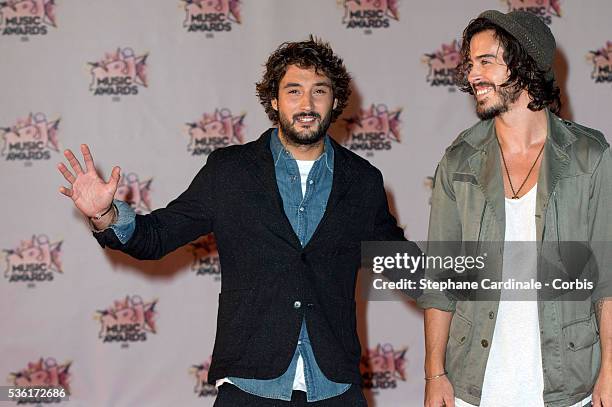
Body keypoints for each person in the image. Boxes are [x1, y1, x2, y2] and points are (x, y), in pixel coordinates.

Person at [57, 36, 417, 406]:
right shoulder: (230, 172)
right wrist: (105, 213)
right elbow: (157, 237)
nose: (307, 104)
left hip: (334, 385)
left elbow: (408, 267)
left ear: (336, 100)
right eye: (294, 91)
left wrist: (471, 275)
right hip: (249, 383)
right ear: (274, 101)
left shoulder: (363, 181)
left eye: (319, 91)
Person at [418, 10, 612, 407]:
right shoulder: (458, 162)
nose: (472, 75)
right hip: (475, 385)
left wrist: (611, 369)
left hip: (568, 385)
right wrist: (434, 373)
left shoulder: (590, 158)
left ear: (525, 67)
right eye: (470, 64)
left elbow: (607, 279)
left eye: (486, 61)